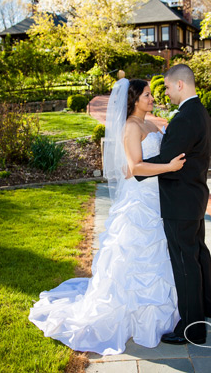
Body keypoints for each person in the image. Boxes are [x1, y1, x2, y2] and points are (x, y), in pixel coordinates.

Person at [29, 78, 186, 355]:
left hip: (157, 200)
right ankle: (131, 315)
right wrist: (169, 167)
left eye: (151, 95)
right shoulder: (130, 127)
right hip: (139, 202)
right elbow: (134, 168)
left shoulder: (151, 124)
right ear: (135, 99)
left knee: (160, 255)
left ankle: (161, 310)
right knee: (134, 254)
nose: (152, 98)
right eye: (147, 95)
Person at [138, 64, 211, 345]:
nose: (166, 93)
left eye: (168, 88)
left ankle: (192, 329)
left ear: (180, 85)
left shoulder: (185, 117)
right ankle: (205, 309)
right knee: (197, 256)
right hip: (193, 197)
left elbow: (169, 159)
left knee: (185, 263)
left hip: (180, 201)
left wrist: (135, 167)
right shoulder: (200, 112)